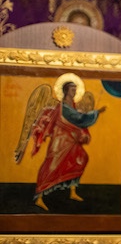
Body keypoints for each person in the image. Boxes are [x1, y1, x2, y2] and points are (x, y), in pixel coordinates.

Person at [16, 75, 107, 211]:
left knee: (80, 159)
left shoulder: (73, 105)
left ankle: (72, 192)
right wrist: (96, 113)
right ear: (66, 91)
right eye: (72, 90)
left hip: (72, 140)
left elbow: (77, 120)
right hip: (60, 141)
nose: (75, 92)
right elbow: (78, 118)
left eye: (75, 89)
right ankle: (39, 197)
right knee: (52, 166)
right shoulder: (64, 106)